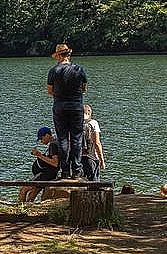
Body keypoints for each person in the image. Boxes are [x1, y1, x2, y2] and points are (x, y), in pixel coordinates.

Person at [47, 43, 88, 179]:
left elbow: (50, 91)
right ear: (69, 55)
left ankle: (65, 171)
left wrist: (61, 95)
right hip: (76, 107)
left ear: (59, 55)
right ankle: (76, 170)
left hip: (60, 107)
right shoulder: (79, 69)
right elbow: (84, 89)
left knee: (62, 139)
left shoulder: (53, 71)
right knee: (77, 138)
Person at [19, 126, 59, 203]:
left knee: (23, 189)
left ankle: (19, 210)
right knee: (32, 193)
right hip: (48, 173)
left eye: (41, 138)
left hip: (46, 174)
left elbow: (55, 163)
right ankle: (27, 209)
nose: (41, 141)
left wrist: (39, 155)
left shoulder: (53, 145)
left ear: (47, 135)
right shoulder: (55, 142)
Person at [80, 105, 106, 181]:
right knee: (94, 186)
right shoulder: (93, 123)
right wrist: (101, 160)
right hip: (91, 158)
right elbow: (97, 143)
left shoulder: (75, 123)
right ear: (89, 112)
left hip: (78, 159)